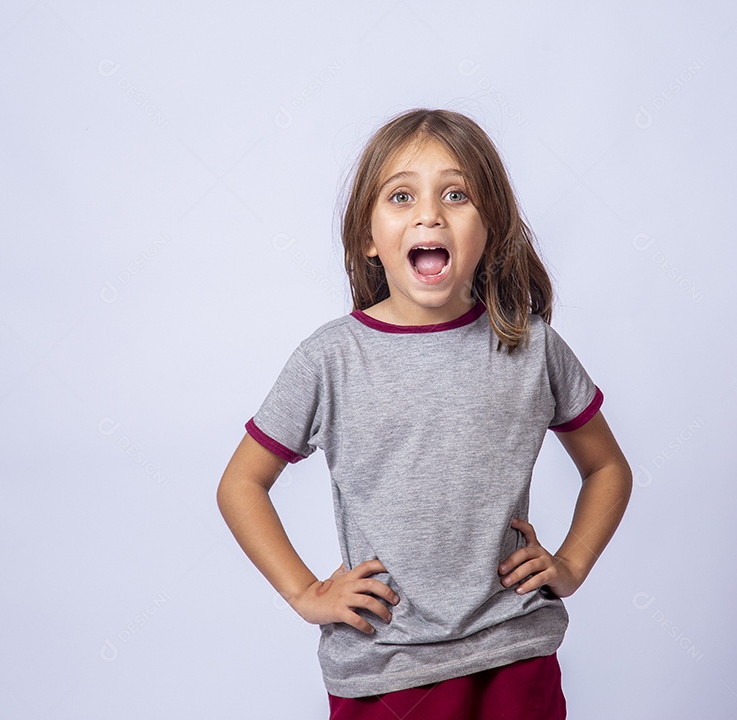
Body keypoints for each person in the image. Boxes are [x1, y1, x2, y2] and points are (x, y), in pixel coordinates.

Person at [216, 108, 632, 719]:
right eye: (402, 195)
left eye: (456, 194)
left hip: (514, 653)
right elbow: (241, 484)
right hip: (384, 669)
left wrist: (571, 563)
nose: (429, 213)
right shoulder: (330, 359)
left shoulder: (531, 346)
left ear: (491, 226)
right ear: (367, 236)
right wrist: (305, 592)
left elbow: (608, 470)